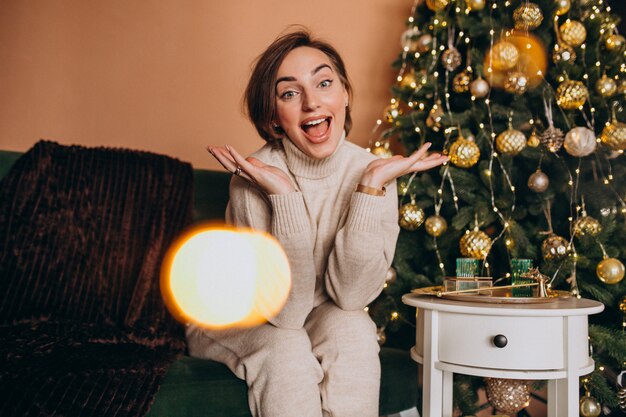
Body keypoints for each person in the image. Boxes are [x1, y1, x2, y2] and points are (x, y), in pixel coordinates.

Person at [187, 28, 448, 417]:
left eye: (324, 83)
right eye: (290, 93)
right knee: (287, 349)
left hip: (317, 313)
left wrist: (371, 187)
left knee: (356, 331)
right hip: (237, 315)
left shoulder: (373, 172)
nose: (311, 102)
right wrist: (285, 198)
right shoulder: (253, 178)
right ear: (274, 117)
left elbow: (351, 297)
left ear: (343, 93)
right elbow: (286, 314)